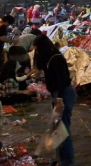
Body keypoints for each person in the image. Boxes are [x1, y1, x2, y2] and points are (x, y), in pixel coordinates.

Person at [31, 35, 76, 166]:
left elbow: (62, 82)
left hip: (63, 94)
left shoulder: (56, 59)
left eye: (37, 50)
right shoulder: (49, 58)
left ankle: (67, 162)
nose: (37, 53)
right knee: (58, 129)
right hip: (57, 94)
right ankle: (61, 160)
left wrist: (59, 100)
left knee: (62, 129)